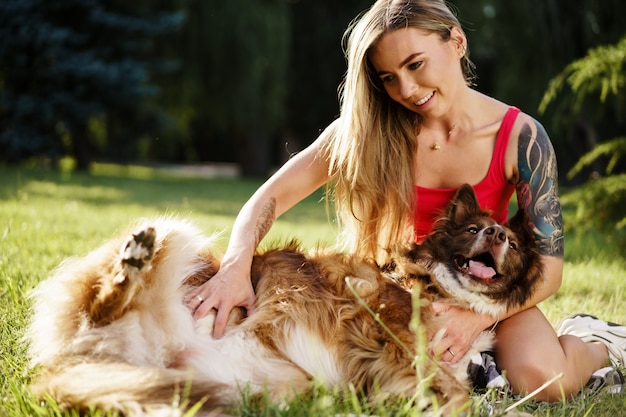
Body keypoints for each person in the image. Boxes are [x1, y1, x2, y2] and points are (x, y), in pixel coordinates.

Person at [188, 0, 626, 401]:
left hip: (484, 293)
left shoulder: (521, 137)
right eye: (389, 77)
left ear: (456, 41)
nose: (407, 88)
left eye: (416, 64)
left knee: (545, 381)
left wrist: (477, 317)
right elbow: (271, 195)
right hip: (394, 289)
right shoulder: (366, 131)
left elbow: (549, 270)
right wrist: (233, 268)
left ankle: (597, 342)